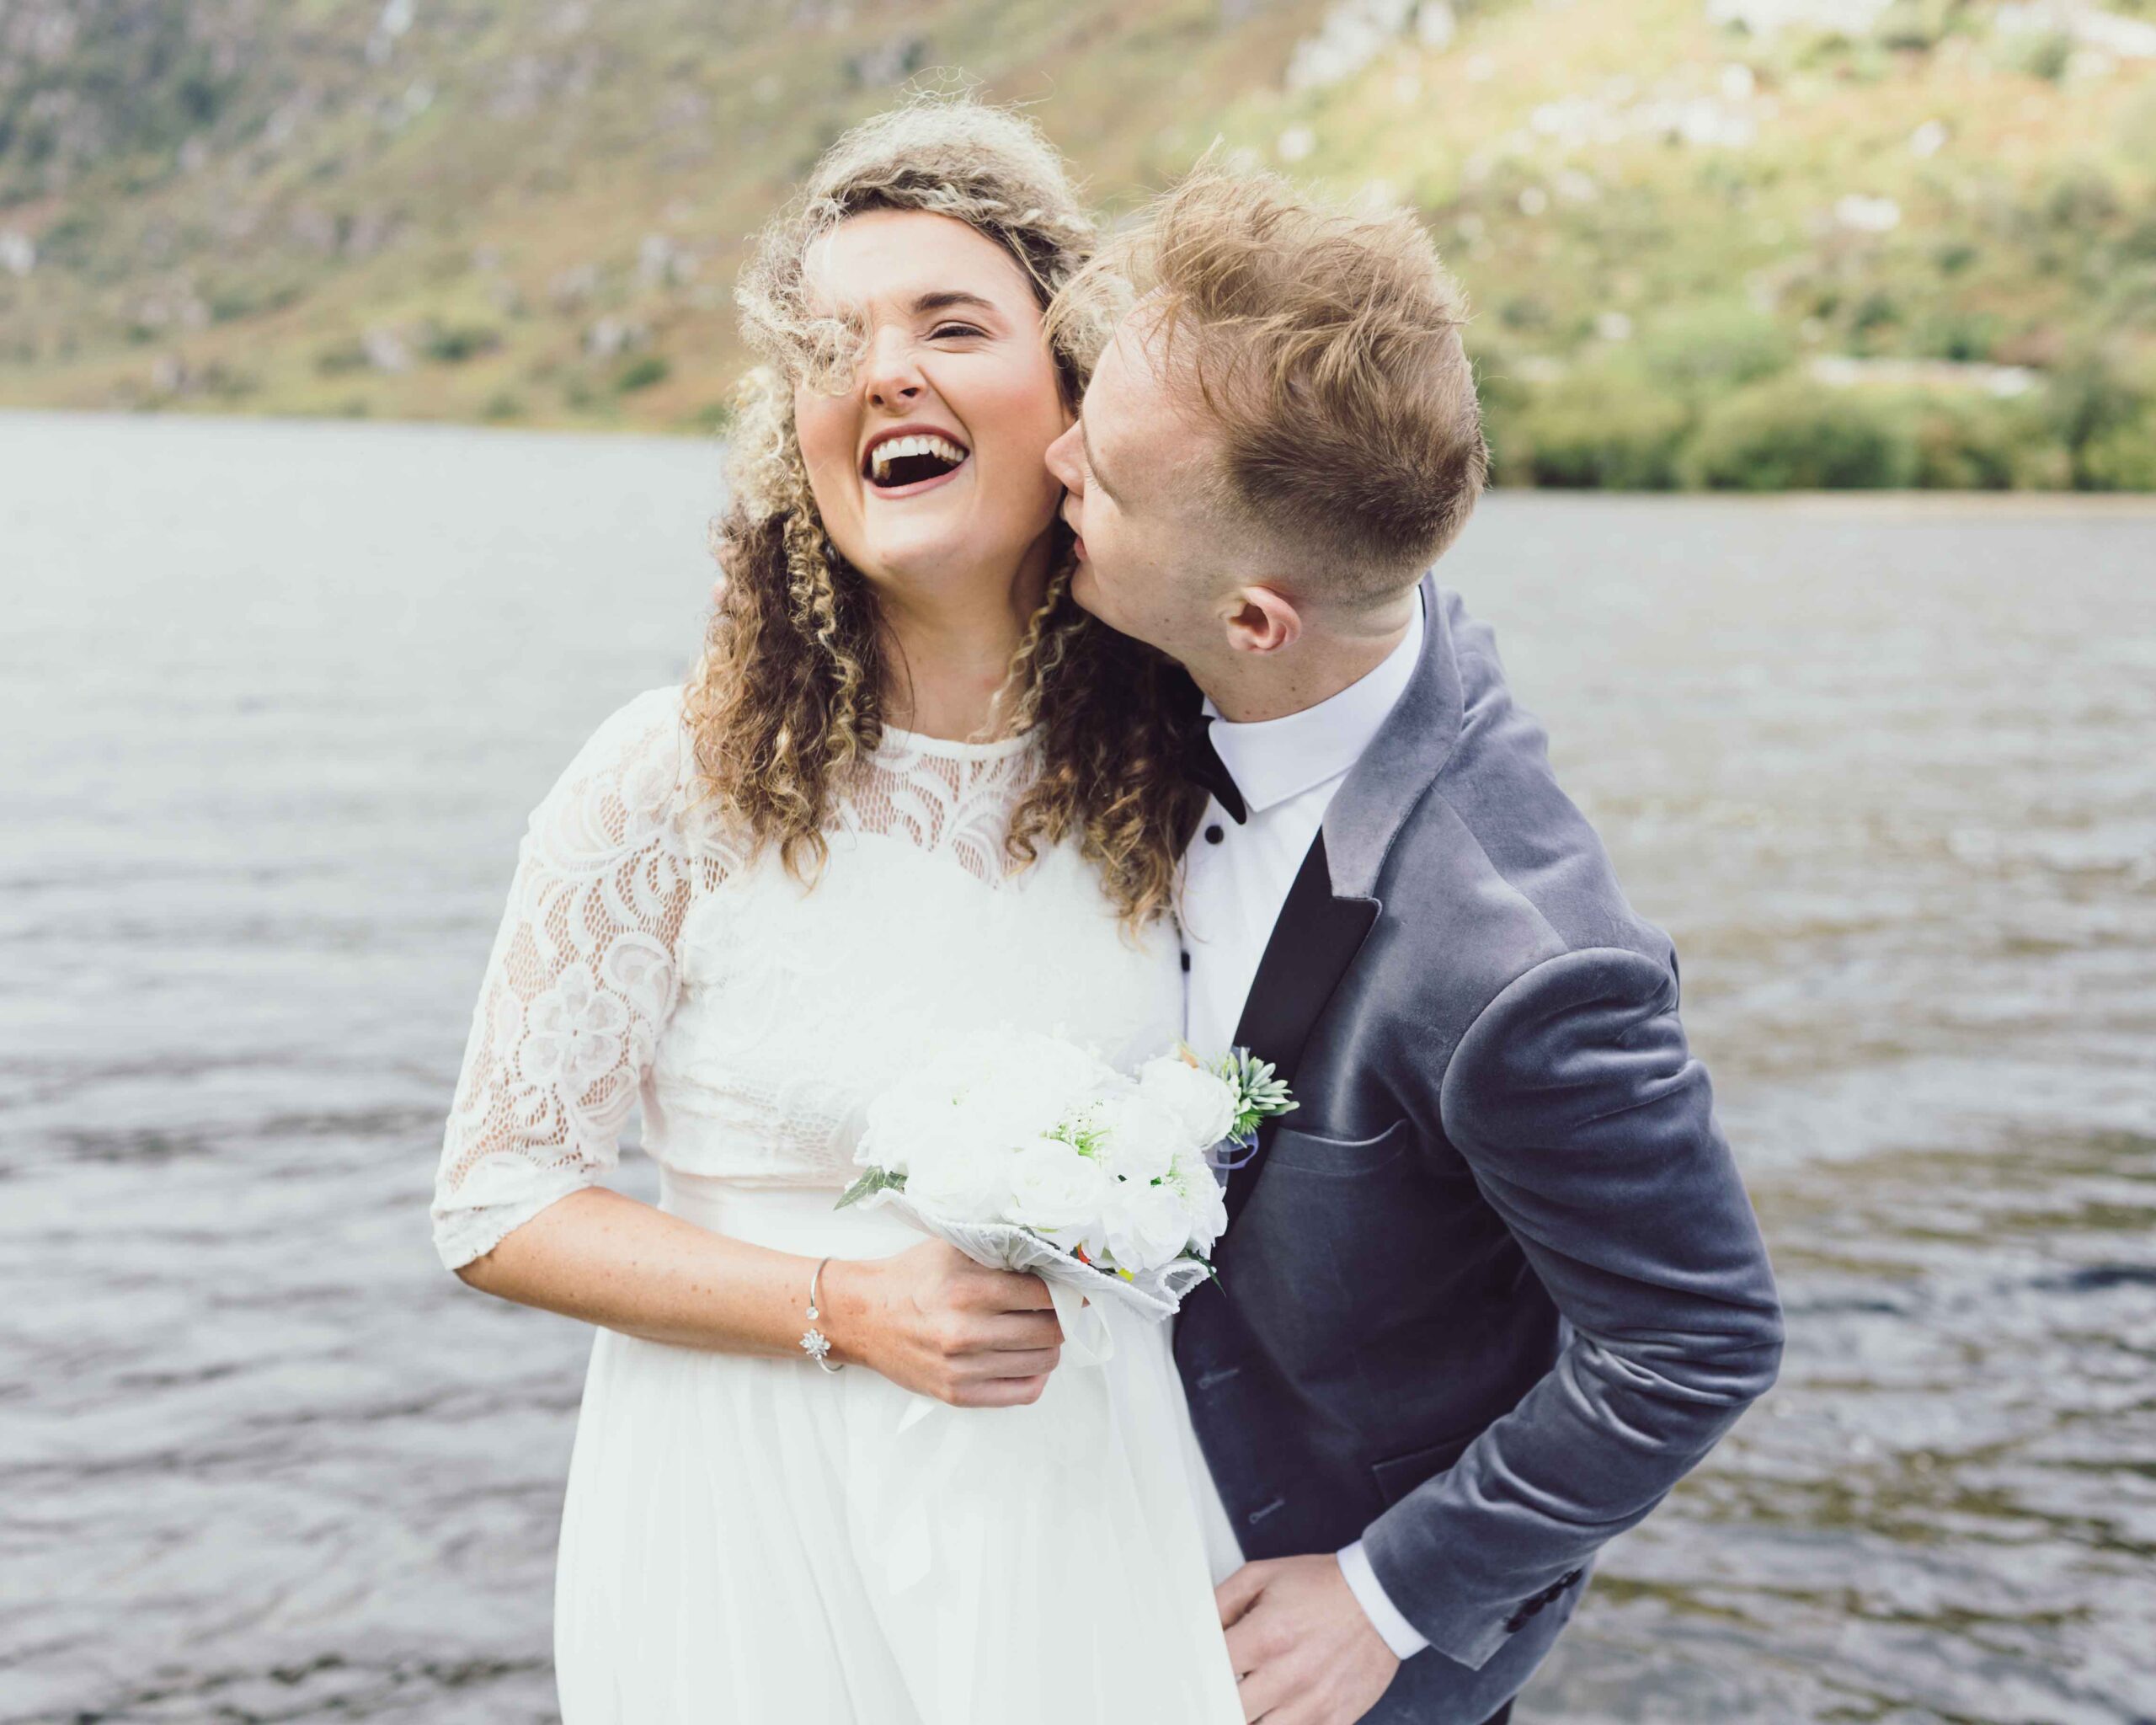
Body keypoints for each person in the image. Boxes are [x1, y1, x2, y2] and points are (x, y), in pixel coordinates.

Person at [429, 99, 1244, 1723]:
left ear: (1075, 397)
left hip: (1086, 1512)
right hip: (746, 1525)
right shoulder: (669, 777)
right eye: (834, 341)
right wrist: (850, 1310)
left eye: (953, 323)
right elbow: (499, 1202)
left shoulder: (1183, 766)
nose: (884, 370)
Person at [1043, 164, 1786, 1724]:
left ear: (1257, 619)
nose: (1055, 462)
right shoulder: (1254, 641)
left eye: (1101, 474)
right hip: (1083, 1547)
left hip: (1307, 1646)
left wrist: (1391, 1591)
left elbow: (1696, 1342)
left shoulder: (1524, 964)